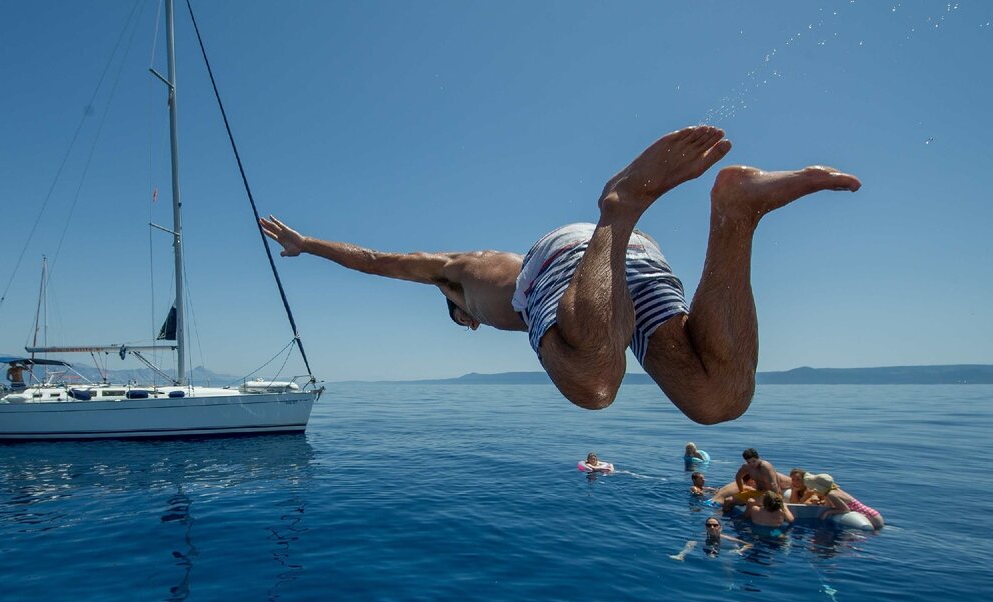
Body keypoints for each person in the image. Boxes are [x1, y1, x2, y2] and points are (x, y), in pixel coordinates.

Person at [261, 126, 860, 425]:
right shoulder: (487, 283)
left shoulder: (460, 271)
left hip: (571, 256)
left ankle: (619, 205)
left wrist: (306, 244)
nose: (470, 323)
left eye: (460, 318)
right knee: (719, 397)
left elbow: (375, 261)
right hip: (624, 264)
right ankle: (736, 212)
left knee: (594, 383)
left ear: (457, 303)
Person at [804, 473, 885, 529]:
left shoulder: (831, 494)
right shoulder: (833, 490)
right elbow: (829, 505)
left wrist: (827, 512)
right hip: (874, 515)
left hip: (871, 518)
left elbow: (845, 509)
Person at [721, 448, 785, 513]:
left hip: (768, 494)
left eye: (754, 461)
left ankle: (744, 519)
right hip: (757, 493)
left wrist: (778, 499)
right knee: (728, 500)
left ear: (758, 458)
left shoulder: (765, 466)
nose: (752, 464)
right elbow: (738, 477)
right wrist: (741, 491)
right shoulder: (747, 466)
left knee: (750, 502)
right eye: (749, 462)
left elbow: (773, 484)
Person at [671, 516, 752, 560]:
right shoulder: (702, 535)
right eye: (709, 525)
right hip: (708, 549)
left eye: (715, 525)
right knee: (691, 542)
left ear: (720, 527)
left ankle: (729, 582)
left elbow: (749, 545)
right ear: (706, 527)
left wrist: (738, 551)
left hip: (723, 553)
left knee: (727, 562)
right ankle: (680, 555)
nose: (712, 527)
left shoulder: (727, 538)